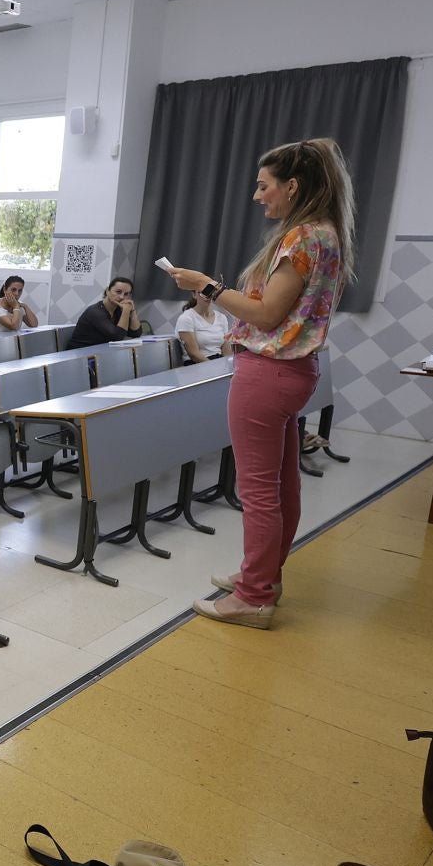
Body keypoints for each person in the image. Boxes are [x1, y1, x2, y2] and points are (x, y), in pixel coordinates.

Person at [164, 137, 355, 629]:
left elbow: (267, 315)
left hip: (268, 373)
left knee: (259, 492)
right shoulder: (327, 234)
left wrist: (207, 286)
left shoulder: (302, 239)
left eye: (264, 185)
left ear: (292, 187)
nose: (257, 195)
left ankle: (252, 597)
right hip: (294, 372)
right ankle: (262, 577)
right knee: (282, 484)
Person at [67, 276, 141, 348]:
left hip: (98, 353)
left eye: (126, 294)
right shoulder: (95, 312)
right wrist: (126, 311)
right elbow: (118, 337)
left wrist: (132, 311)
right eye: (118, 292)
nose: (122, 297)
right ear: (107, 291)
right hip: (79, 354)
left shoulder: (118, 310)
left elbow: (135, 333)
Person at [175, 292, 232, 363]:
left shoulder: (221, 317)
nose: (207, 296)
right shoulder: (186, 318)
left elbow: (226, 349)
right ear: (194, 295)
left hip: (218, 360)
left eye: (210, 292)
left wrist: (229, 365)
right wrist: (215, 367)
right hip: (196, 364)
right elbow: (194, 354)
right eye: (202, 293)